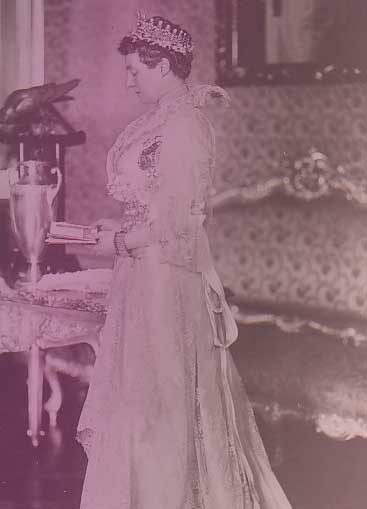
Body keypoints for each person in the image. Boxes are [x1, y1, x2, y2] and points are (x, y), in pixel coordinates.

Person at [76, 14, 292, 509]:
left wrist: (125, 239)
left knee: (164, 395)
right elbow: (153, 203)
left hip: (167, 277)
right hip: (142, 273)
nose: (128, 80)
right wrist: (122, 234)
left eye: (134, 70)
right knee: (140, 394)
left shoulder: (186, 123)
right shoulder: (156, 119)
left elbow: (184, 220)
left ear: (164, 66)